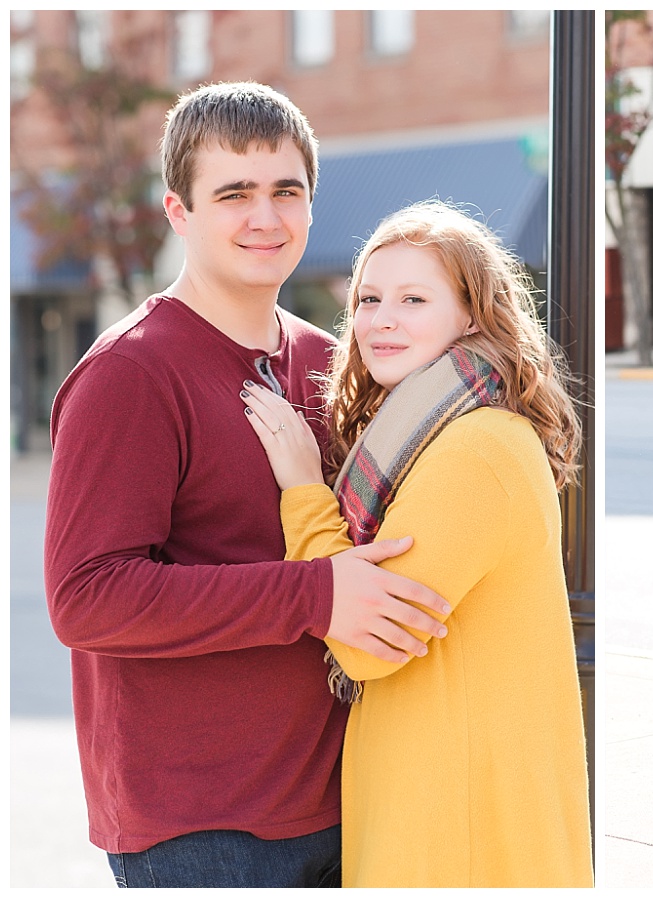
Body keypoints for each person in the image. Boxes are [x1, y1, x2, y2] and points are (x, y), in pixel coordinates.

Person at [44, 81, 450, 888]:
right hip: (202, 828)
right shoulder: (130, 374)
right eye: (233, 193)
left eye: (285, 191)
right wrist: (312, 594)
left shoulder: (329, 359)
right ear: (178, 211)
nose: (265, 217)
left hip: (348, 795)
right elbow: (85, 596)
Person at [237, 199, 594, 887]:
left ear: (472, 315)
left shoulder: (476, 447)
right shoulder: (427, 433)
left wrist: (303, 490)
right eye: (369, 297)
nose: (382, 318)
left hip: (456, 827)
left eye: (413, 298)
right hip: (439, 800)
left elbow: (364, 643)